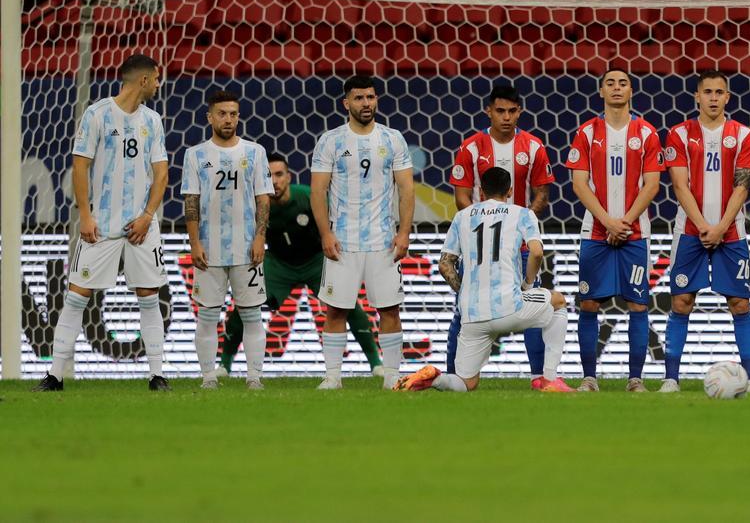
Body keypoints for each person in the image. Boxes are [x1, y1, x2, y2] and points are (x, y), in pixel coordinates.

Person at [35, 55, 171, 392]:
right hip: (102, 225)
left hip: (142, 227)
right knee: (77, 295)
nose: (158, 84)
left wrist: (147, 216)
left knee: (149, 296)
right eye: (156, 79)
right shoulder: (96, 114)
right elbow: (79, 166)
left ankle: (157, 376)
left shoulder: (152, 121)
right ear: (143, 80)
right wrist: (85, 215)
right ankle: (55, 375)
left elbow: (161, 173)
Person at [396, 168, 572, 393]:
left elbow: (444, 264)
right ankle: (548, 379)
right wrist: (528, 284)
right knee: (558, 302)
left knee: (465, 383)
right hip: (510, 306)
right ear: (509, 191)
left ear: (480, 191)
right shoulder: (522, 213)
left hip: (472, 314)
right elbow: (536, 252)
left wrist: (463, 292)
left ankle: (436, 378)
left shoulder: (462, 216)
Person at [218, 153, 385, 377]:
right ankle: (224, 366)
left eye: (279, 175)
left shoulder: (307, 197)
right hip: (278, 263)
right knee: (245, 305)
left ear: (288, 177)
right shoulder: (257, 205)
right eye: (268, 175)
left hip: (316, 261)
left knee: (346, 305)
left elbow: (335, 225)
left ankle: (376, 364)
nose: (274, 181)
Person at [447, 84, 555, 389]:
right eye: (500, 111)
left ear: (519, 111)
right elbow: (461, 197)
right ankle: (453, 374)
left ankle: (538, 377)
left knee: (533, 309)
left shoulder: (533, 147)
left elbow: (541, 193)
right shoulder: (471, 147)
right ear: (488, 112)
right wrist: (476, 233)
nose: (506, 117)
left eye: (512, 111)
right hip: (480, 249)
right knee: (463, 309)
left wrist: (520, 228)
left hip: (520, 248)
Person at [310, 76, 414, 390]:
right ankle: (332, 377)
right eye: (358, 98)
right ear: (346, 103)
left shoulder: (393, 138)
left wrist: (404, 233)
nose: (366, 103)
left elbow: (406, 189)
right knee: (336, 308)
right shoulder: (331, 140)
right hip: (343, 241)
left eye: (370, 97)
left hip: (383, 240)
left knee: (389, 308)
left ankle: (392, 377)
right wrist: (325, 233)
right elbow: (318, 190)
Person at [659, 70, 750, 393]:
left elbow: (742, 188)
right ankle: (671, 379)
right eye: (708, 92)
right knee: (681, 301)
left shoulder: (744, 135)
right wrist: (704, 226)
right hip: (690, 231)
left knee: (740, 304)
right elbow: (679, 185)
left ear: (728, 97)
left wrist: (720, 227)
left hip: (731, 232)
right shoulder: (678, 133)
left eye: (720, 92)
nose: (714, 98)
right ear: (697, 97)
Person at [565, 67, 664, 392]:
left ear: (631, 91)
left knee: (637, 303)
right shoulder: (586, 132)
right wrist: (608, 221)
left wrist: (625, 223)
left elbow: (652, 185)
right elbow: (579, 184)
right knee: (590, 303)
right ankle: (589, 378)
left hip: (636, 234)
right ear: (602, 91)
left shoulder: (647, 132)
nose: (617, 88)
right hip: (595, 232)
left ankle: (635, 379)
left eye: (623, 83)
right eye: (611, 83)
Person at [181, 90, 272, 389]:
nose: (228, 119)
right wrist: (195, 243)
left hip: (247, 247)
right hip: (210, 249)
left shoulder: (255, 152)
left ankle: (254, 377)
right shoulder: (195, 155)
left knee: (251, 315)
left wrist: (260, 238)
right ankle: (208, 377)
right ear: (210, 117)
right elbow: (191, 201)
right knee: (207, 315)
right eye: (222, 113)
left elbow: (263, 199)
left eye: (233, 113)